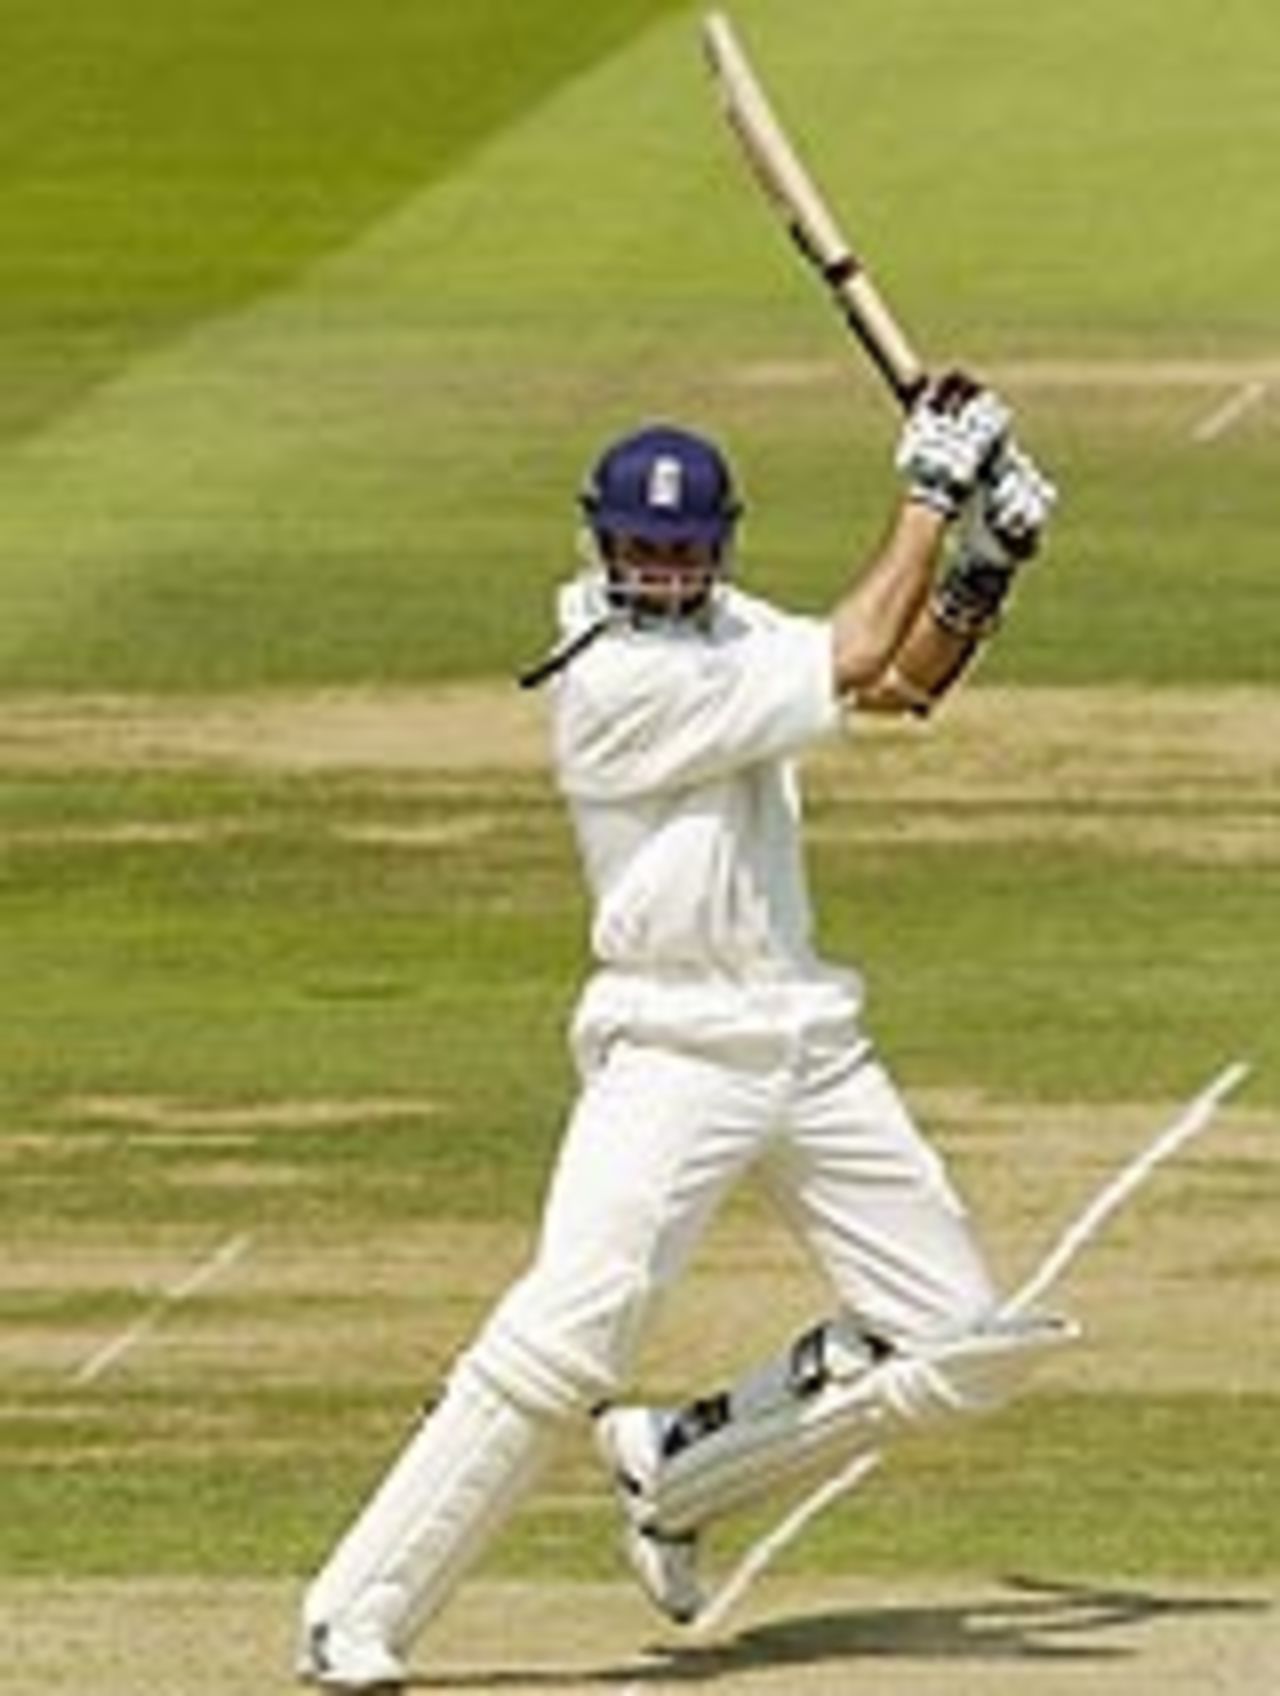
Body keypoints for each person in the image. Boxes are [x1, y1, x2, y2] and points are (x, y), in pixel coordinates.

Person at [297, 372, 1069, 1692]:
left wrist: (985, 566)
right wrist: (932, 496)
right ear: (602, 545)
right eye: (639, 547)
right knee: (567, 1337)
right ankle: (353, 1610)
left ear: (717, 549)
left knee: (961, 1341)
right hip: (671, 1049)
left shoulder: (728, 632)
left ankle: (678, 1466)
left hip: (810, 1040)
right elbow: (846, 651)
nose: (660, 568)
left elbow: (897, 681)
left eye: (682, 548)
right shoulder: (610, 679)